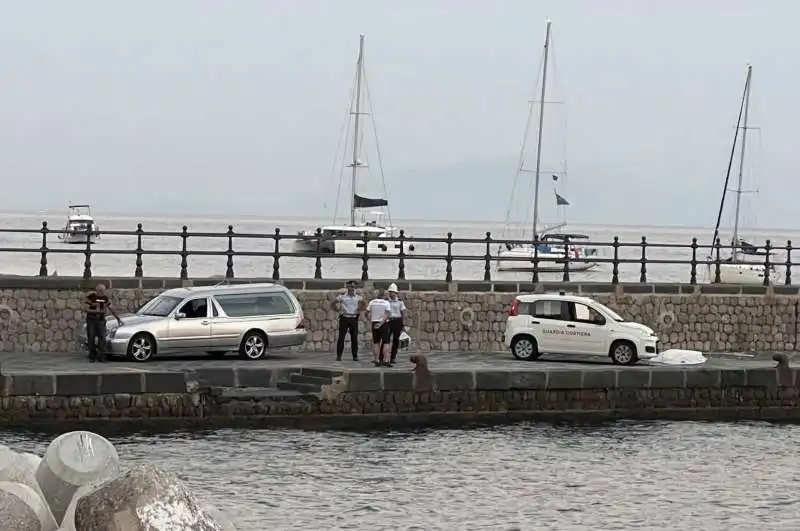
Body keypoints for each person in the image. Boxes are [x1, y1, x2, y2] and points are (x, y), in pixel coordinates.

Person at [84, 284, 122, 363]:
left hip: (101, 321)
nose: (102, 292)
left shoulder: (105, 298)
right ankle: (92, 355)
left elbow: (111, 308)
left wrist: (118, 318)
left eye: (103, 291)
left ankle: (101, 356)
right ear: (97, 290)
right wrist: (97, 311)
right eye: (101, 290)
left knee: (102, 338)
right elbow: (86, 308)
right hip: (91, 320)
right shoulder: (91, 297)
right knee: (91, 338)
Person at [333, 280, 363, 361]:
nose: (352, 288)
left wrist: (359, 310)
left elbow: (364, 303)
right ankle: (339, 356)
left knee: (354, 338)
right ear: (347, 287)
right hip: (344, 317)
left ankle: (355, 355)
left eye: (353, 287)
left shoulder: (358, 297)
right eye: (350, 287)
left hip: (353, 318)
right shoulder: (342, 296)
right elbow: (333, 303)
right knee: (341, 337)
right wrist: (338, 310)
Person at [366, 290, 391, 367]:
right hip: (383, 323)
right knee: (386, 342)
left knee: (376, 342)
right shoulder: (386, 303)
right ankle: (386, 360)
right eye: (386, 294)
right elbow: (387, 314)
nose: (388, 296)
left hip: (374, 322)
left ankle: (376, 359)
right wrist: (381, 323)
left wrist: (370, 319)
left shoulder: (372, 302)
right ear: (384, 295)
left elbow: (366, 312)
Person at [386, 283, 408, 366]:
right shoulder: (386, 301)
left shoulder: (400, 302)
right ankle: (385, 357)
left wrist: (404, 323)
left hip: (397, 321)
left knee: (395, 340)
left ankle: (393, 358)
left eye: (393, 292)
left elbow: (404, 313)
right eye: (390, 292)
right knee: (386, 340)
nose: (391, 294)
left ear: (396, 293)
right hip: (389, 321)